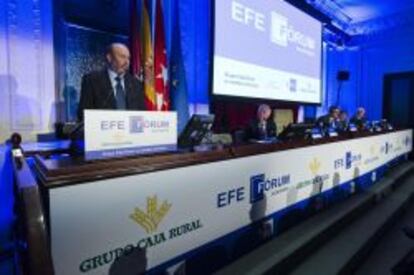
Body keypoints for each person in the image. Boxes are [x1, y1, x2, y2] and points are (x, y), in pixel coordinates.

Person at [77, 43, 146, 121]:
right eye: (122, 57)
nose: (127, 62)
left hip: (130, 131)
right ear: (109, 57)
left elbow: (142, 114)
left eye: (128, 58)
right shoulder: (91, 80)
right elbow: (83, 114)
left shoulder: (136, 84)